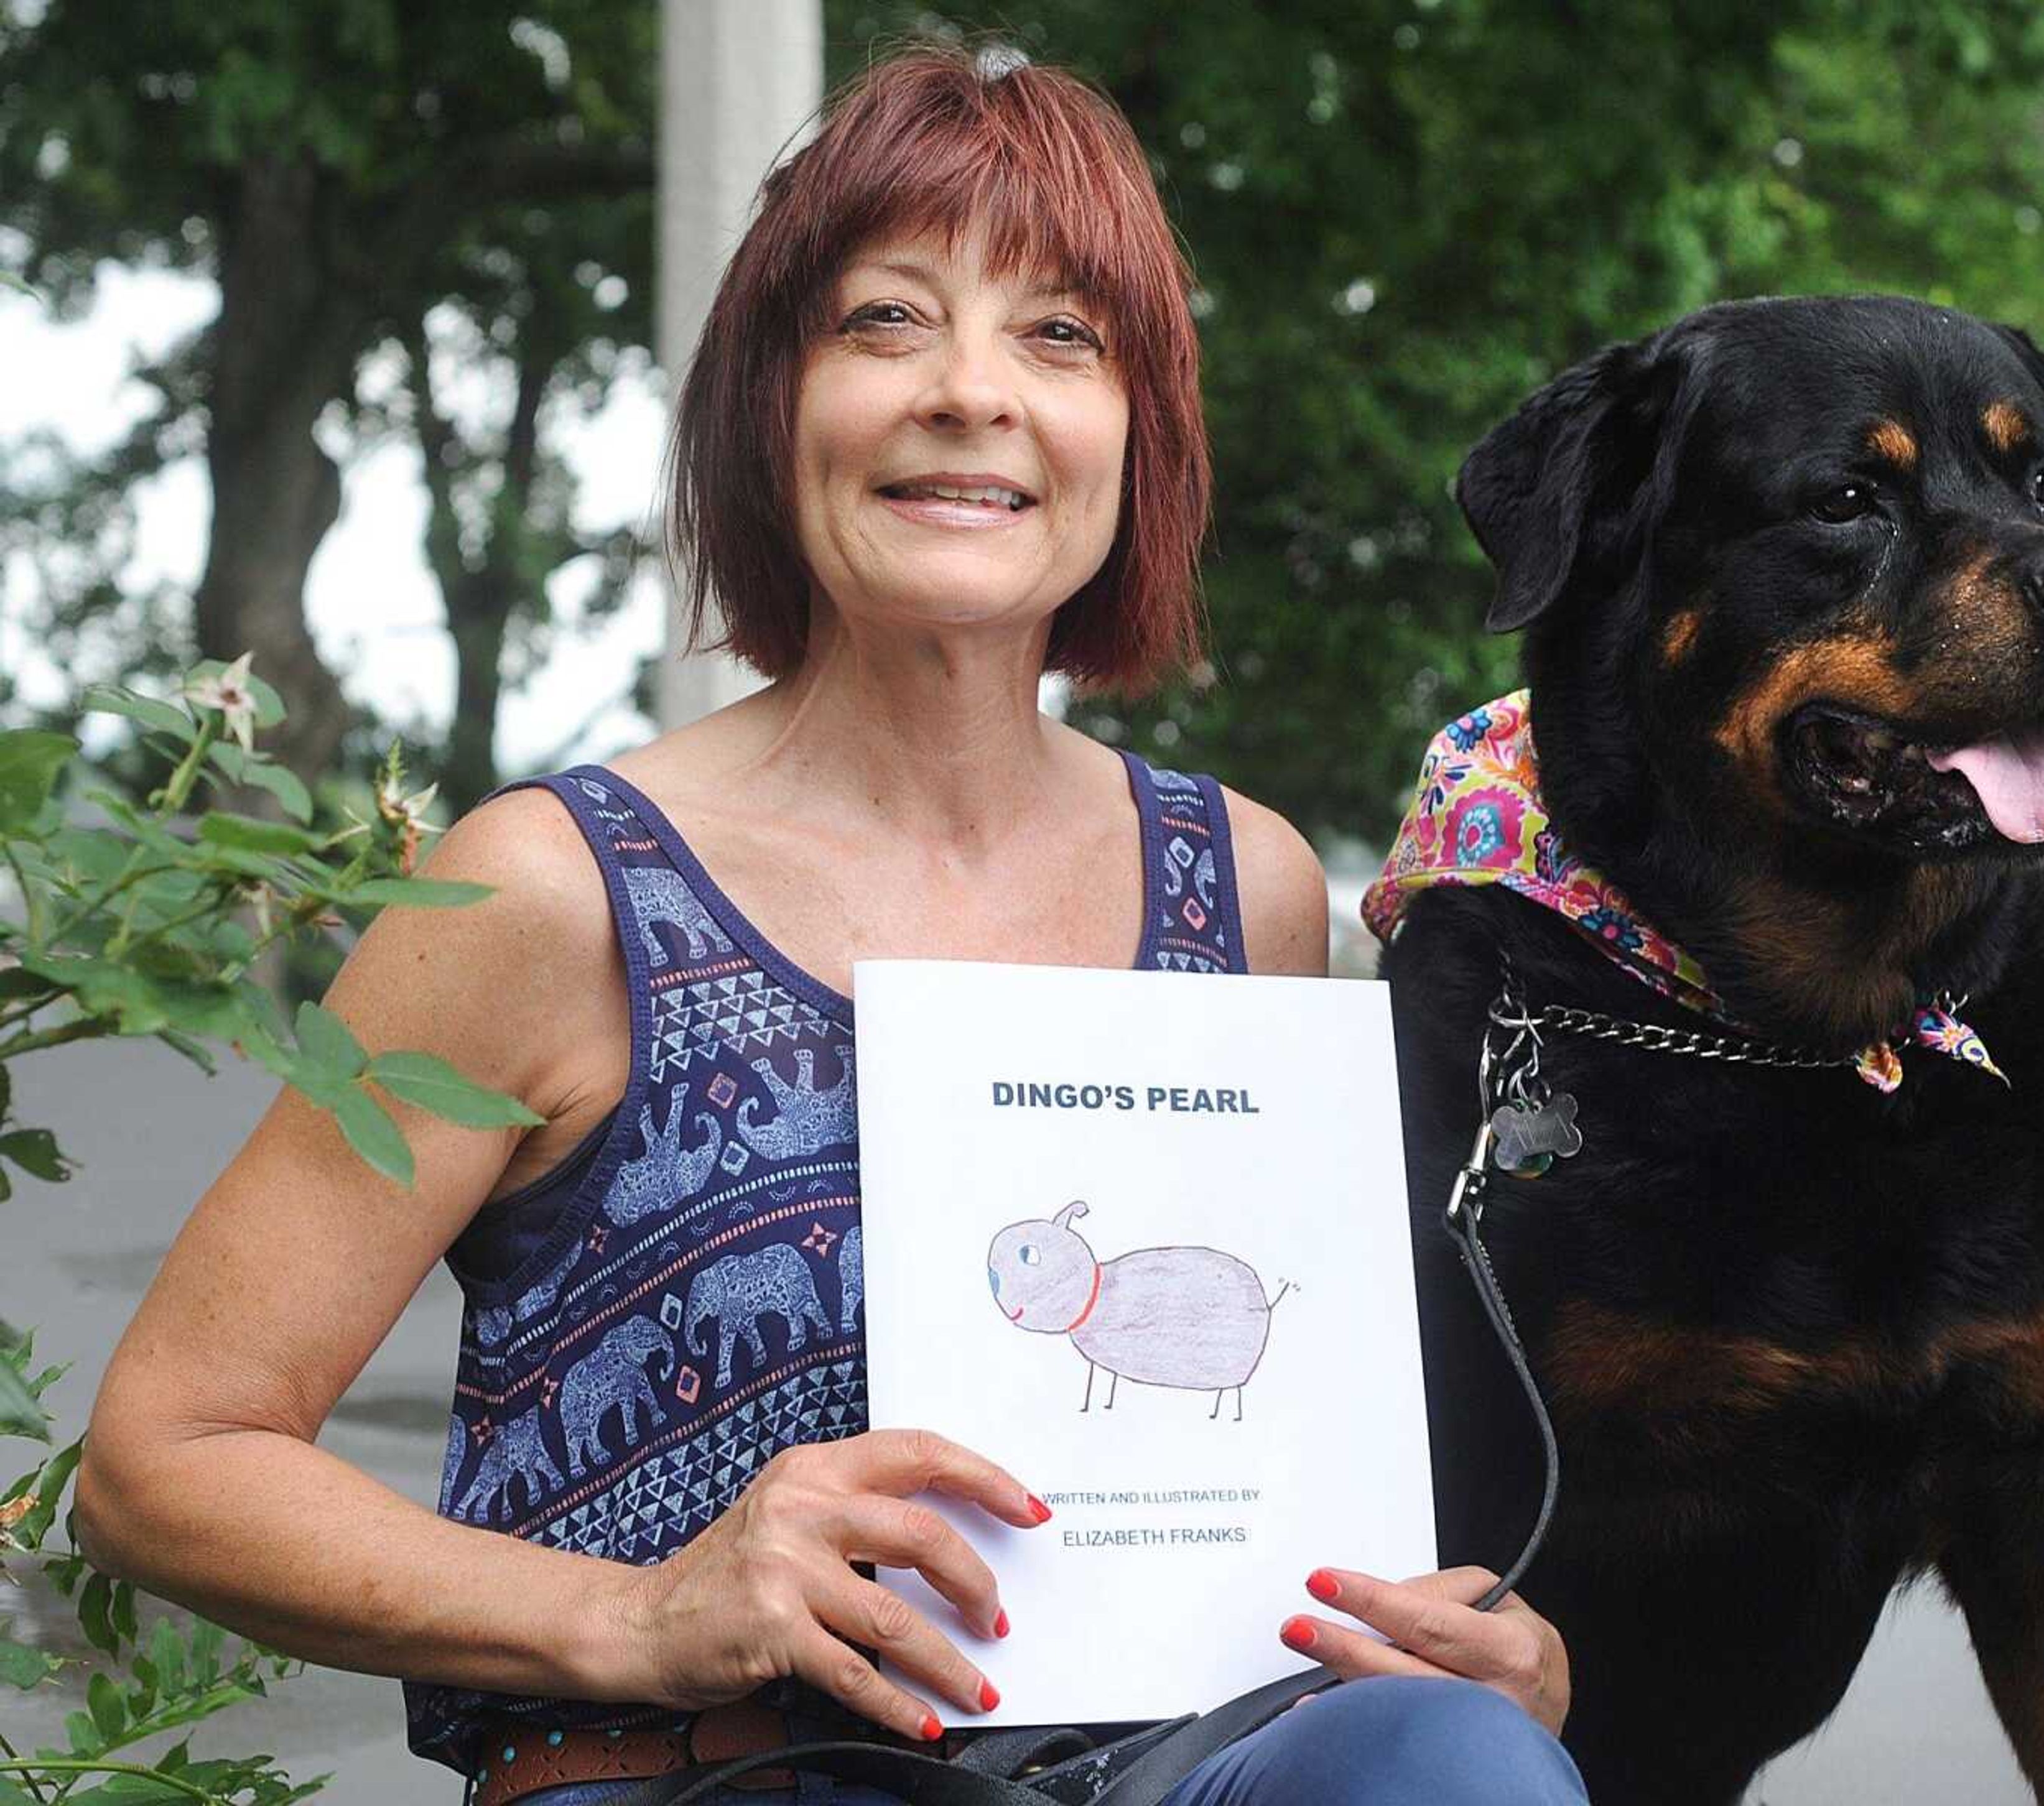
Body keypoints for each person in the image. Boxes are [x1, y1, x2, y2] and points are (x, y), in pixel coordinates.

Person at [77, 44, 1581, 1806]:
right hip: (694, 1773)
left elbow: (1277, 1441)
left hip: (1159, 1765)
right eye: (887, 320)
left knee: (1454, 1756)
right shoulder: (548, 888)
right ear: (770, 402)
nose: (971, 393)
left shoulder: (1240, 884)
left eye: (1061, 337)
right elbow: (164, 1460)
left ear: (1139, 437)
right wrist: (633, 1620)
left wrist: (1482, 1642)